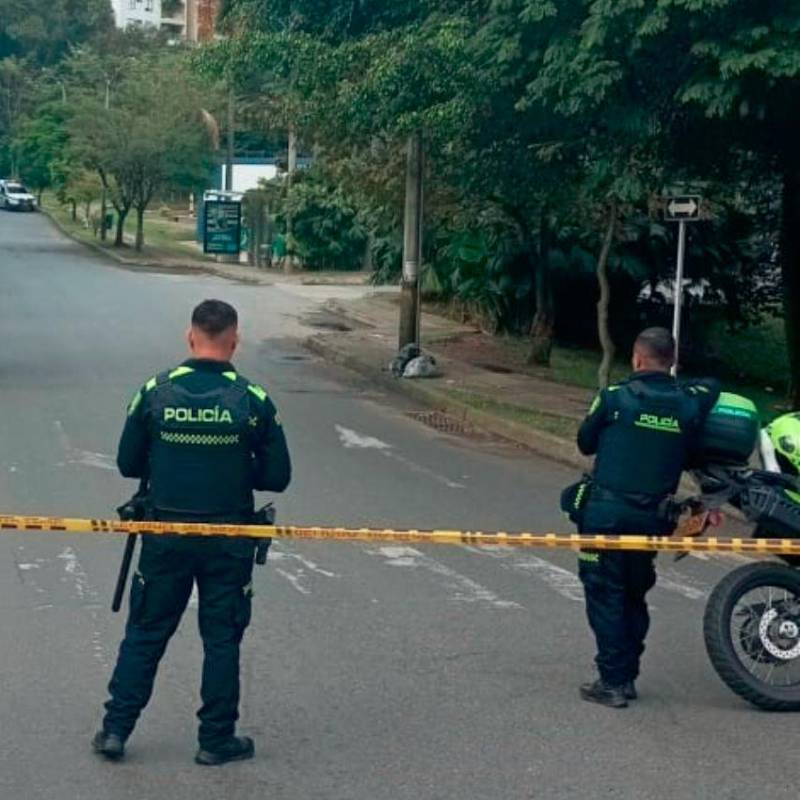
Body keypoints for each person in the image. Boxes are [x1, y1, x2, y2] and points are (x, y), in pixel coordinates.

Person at [93, 299, 291, 764]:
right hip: (230, 539)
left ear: (190, 337)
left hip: (165, 533)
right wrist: (238, 469)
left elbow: (127, 463)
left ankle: (115, 731)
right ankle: (215, 740)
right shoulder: (253, 400)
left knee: (145, 632)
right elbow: (278, 476)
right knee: (222, 638)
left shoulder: (155, 391)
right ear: (234, 340)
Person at [573, 327, 718, 708]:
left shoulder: (614, 397)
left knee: (606, 594)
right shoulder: (688, 405)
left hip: (605, 517)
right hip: (653, 520)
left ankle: (613, 681)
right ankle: (627, 674)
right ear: (671, 362)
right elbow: (712, 387)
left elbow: (585, 441)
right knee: (634, 594)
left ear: (636, 359)